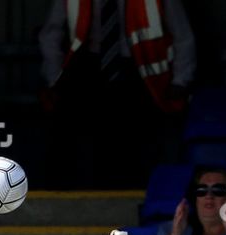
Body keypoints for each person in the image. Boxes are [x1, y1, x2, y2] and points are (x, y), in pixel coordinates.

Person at [38, 0, 196, 188]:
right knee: (83, 144)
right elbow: (51, 33)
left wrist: (181, 79)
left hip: (140, 72)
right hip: (89, 69)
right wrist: (54, 78)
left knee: (137, 145)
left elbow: (183, 35)